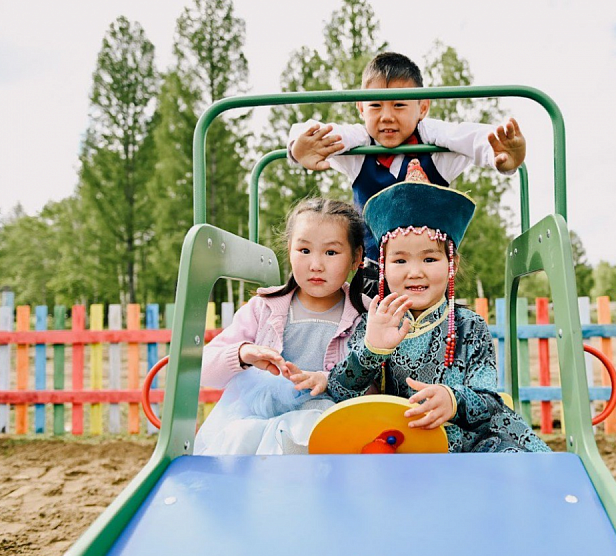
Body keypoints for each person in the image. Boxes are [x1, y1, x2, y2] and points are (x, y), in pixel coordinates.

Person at [300, 161, 551, 453]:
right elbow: (342, 393)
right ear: (382, 266)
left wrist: (453, 400)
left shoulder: (470, 326)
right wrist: (372, 350)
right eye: (400, 260)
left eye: (429, 259)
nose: (415, 272)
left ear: (451, 264)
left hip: (472, 446)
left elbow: (490, 401)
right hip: (401, 446)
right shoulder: (374, 321)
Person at [287, 51, 526, 294]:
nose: (387, 116)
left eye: (399, 105)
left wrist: (501, 158)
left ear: (422, 107)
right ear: (360, 107)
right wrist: (299, 147)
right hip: (374, 275)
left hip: (425, 277)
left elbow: (468, 136)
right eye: (375, 105)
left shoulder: (436, 151)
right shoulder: (359, 150)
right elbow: (321, 132)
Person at [194, 198, 368, 456]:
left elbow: (375, 379)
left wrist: (330, 381)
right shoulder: (263, 308)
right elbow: (203, 369)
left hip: (329, 427)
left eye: (331, 252)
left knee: (314, 430)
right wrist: (242, 354)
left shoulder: (365, 315)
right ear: (290, 250)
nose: (316, 265)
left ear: (356, 258)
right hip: (258, 424)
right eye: (304, 251)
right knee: (241, 437)